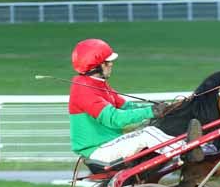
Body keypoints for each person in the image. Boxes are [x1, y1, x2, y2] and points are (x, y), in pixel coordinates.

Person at [68, 38, 209, 164]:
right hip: (97, 150)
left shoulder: (98, 83)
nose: (111, 64)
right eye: (107, 62)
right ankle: (188, 152)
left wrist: (159, 109)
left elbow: (126, 106)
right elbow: (114, 118)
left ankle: (197, 147)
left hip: (109, 143)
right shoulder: (83, 89)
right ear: (95, 66)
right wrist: (149, 111)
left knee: (153, 128)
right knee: (148, 135)